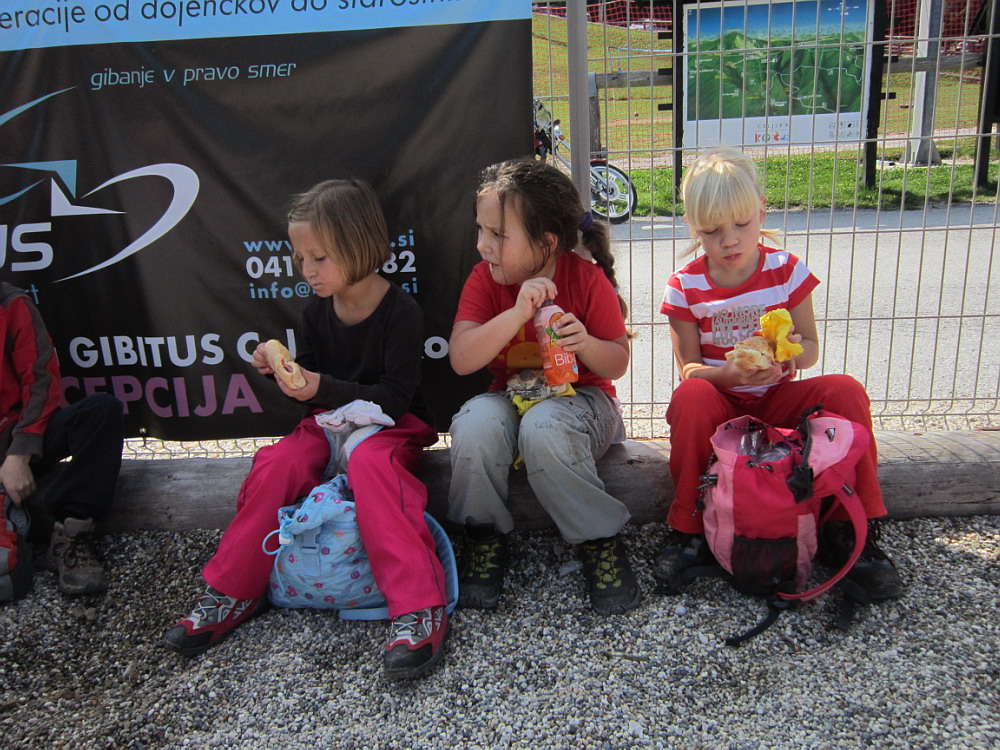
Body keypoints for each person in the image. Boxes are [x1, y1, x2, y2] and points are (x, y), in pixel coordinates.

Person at [162, 179, 447, 680]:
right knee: (279, 462)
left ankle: (419, 607)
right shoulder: (315, 310)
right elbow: (313, 391)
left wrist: (322, 386)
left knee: (372, 465)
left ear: (359, 248)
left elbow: (395, 398)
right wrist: (285, 375)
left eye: (319, 258)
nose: (307, 270)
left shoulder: (401, 312)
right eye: (300, 258)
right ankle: (233, 591)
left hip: (393, 424)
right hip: (330, 420)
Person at [656, 147, 902, 600]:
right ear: (692, 226)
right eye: (711, 231)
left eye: (742, 224)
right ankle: (689, 529)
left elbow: (810, 348)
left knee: (845, 390)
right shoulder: (684, 285)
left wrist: (789, 357)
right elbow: (690, 371)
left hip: (778, 400)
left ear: (762, 211)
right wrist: (729, 377)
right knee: (689, 398)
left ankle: (849, 526)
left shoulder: (786, 269)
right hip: (723, 404)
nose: (729, 241)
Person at [447, 159, 641, 616]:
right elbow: (461, 358)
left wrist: (585, 343)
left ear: (547, 243)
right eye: (481, 230)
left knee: (544, 426)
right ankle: (483, 536)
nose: (482, 245)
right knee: (475, 424)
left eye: (498, 234)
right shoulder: (484, 280)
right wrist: (516, 313)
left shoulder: (586, 280)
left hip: (584, 401)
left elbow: (617, 364)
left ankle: (598, 540)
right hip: (510, 395)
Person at [0, 282, 124, 597]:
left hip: (13, 439)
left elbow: (40, 381)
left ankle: (71, 535)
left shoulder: (11, 303)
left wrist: (19, 454)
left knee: (101, 412)